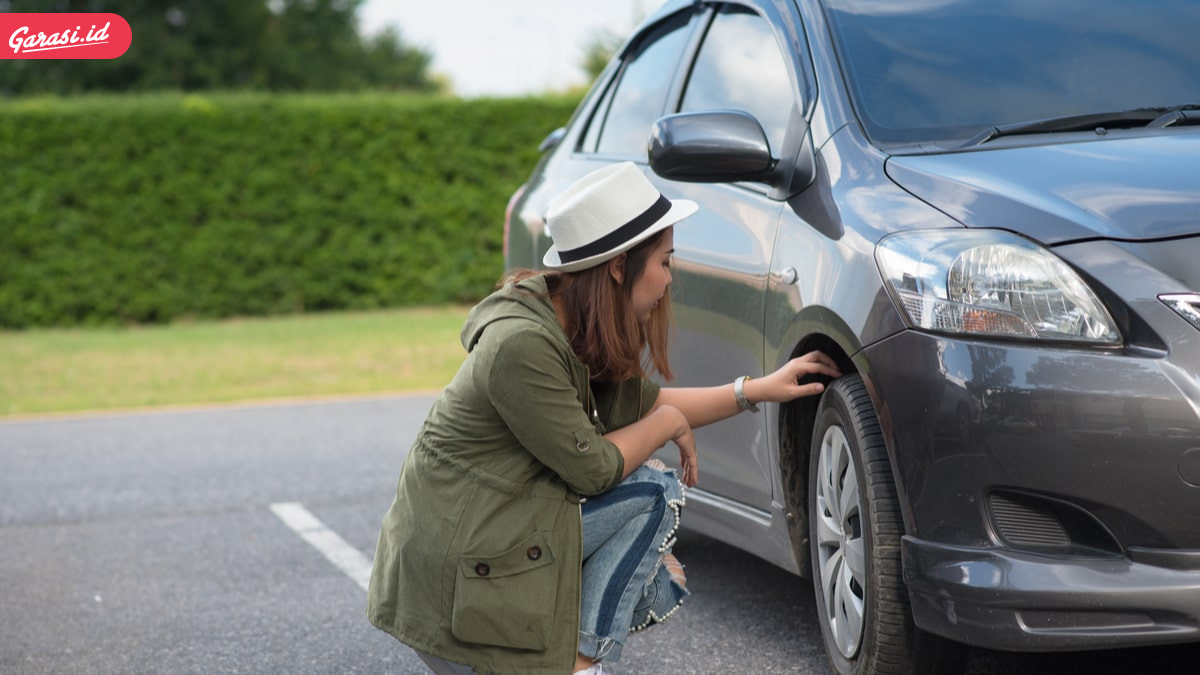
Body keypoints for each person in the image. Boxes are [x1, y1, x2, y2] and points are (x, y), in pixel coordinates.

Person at [367, 161, 841, 674]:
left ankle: (572, 657)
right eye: (664, 261)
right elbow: (595, 468)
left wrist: (758, 390)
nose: (669, 277)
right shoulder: (521, 345)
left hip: (482, 550)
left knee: (652, 542)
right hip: (456, 587)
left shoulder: (565, 323)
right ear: (618, 266)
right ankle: (581, 664)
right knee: (654, 492)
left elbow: (650, 404)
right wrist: (666, 429)